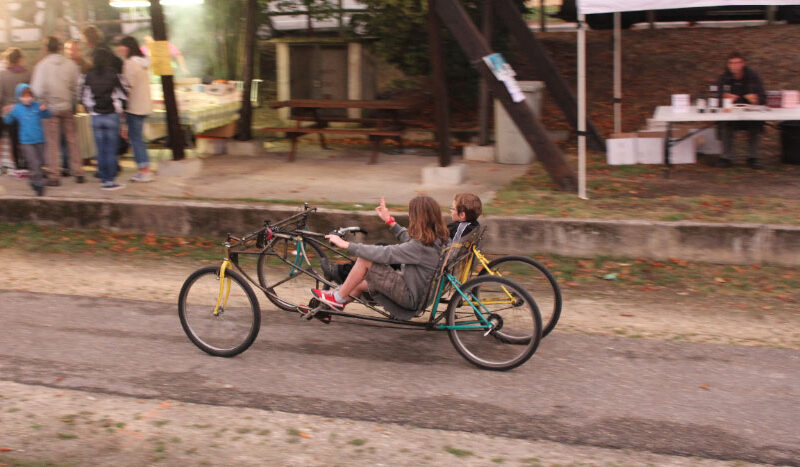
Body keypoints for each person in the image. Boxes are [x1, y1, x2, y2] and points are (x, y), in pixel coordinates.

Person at [312, 195, 449, 311]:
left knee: (365, 259)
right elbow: (410, 241)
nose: (409, 216)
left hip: (411, 297)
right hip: (421, 293)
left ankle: (336, 298)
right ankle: (328, 306)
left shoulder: (420, 247)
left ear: (418, 218)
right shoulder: (439, 239)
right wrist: (390, 222)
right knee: (359, 283)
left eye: (411, 213)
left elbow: (385, 253)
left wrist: (346, 244)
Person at [30, 36, 84, 185]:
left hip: (49, 109)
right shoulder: (70, 65)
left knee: (52, 143)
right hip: (67, 106)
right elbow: (76, 86)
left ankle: (54, 176)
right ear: (60, 48)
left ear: (46, 48)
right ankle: (78, 172)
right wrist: (74, 102)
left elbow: (37, 90)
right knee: (72, 140)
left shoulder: (42, 66)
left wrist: (43, 102)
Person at [79, 48, 127, 191]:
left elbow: (83, 97)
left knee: (100, 150)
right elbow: (123, 95)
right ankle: (110, 181)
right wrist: (120, 110)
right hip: (112, 116)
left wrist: (91, 109)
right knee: (111, 150)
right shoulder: (113, 74)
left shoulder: (88, 75)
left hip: (96, 117)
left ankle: (103, 179)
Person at [715, 52, 767, 169]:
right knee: (724, 122)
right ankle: (726, 157)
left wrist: (756, 99)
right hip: (731, 113)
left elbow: (764, 97)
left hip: (750, 112)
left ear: (744, 64)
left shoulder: (753, 76)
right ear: (728, 65)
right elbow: (716, 99)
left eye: (737, 63)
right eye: (731, 63)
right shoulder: (723, 78)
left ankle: (753, 157)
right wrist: (723, 99)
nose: (734, 66)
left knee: (757, 122)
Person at [2, 84, 52, 196]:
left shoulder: (37, 106)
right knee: (33, 163)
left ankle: (33, 180)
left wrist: (46, 109)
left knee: (40, 162)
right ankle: (39, 185)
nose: (27, 97)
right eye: (24, 95)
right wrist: (6, 112)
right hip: (26, 142)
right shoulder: (17, 109)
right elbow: (7, 121)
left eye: (29, 95)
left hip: (39, 140)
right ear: (19, 96)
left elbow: (48, 115)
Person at [117, 36, 154, 183]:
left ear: (127, 47)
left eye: (121, 46)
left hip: (134, 107)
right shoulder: (143, 62)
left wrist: (121, 106)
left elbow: (127, 86)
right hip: (144, 105)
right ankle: (145, 168)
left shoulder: (130, 63)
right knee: (138, 138)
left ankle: (144, 170)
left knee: (136, 139)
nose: (119, 49)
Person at [0, 47, 31, 177]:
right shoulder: (26, 74)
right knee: (18, 139)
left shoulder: (2, 75)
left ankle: (3, 166)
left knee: (2, 139)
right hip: (22, 111)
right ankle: (19, 166)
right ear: (20, 59)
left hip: (5, 111)